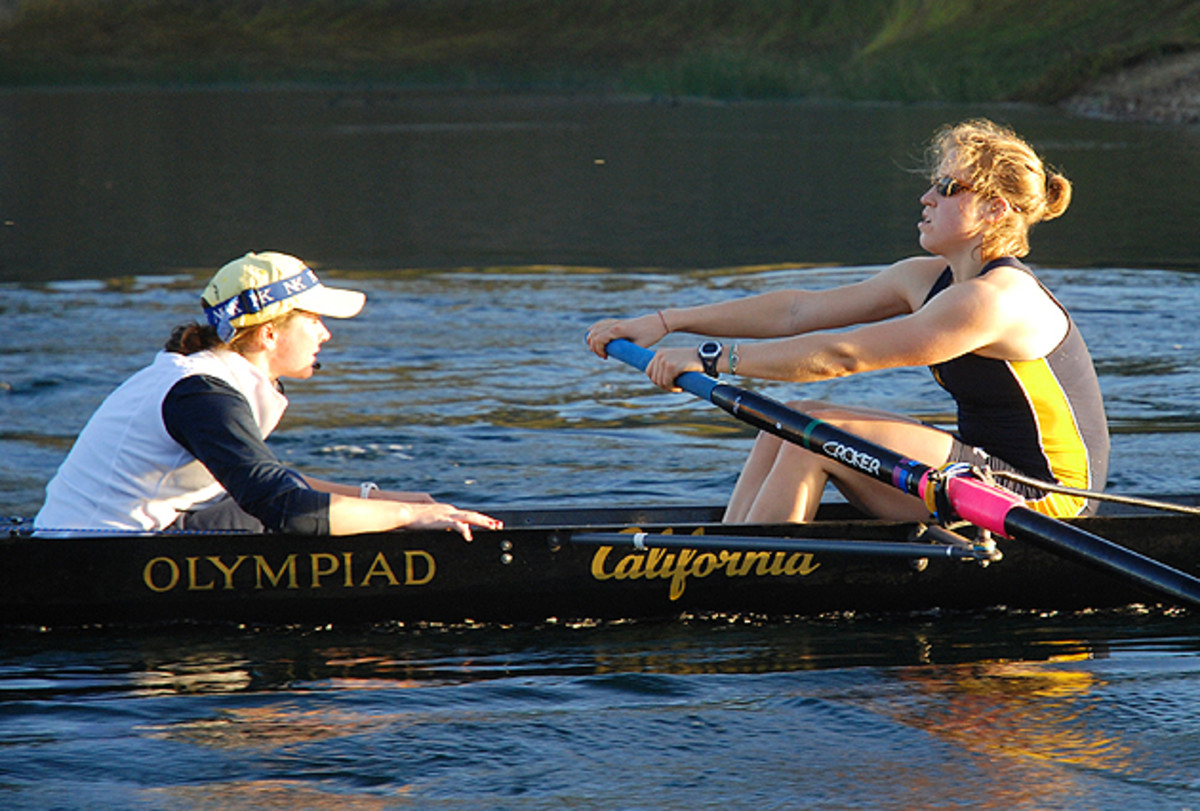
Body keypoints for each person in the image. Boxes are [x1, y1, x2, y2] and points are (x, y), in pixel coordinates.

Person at [587, 119, 1109, 524]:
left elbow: (843, 356)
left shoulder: (995, 300)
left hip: (1046, 501)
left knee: (815, 432)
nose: (926, 198)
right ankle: (736, 549)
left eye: (949, 187)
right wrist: (667, 321)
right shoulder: (925, 278)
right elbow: (798, 311)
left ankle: (751, 580)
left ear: (995, 209)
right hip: (980, 475)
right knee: (787, 419)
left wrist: (710, 359)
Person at [35, 251, 501, 540]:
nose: (326, 335)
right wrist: (404, 519)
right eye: (313, 320)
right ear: (268, 336)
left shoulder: (209, 378)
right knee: (280, 520)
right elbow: (284, 508)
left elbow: (269, 480)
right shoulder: (203, 395)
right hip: (99, 552)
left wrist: (391, 501)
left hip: (116, 538)